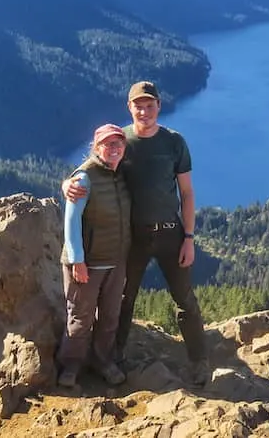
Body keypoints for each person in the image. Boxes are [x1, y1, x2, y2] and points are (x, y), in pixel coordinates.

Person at [62, 80, 210, 386]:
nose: (144, 111)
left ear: (159, 105)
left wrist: (189, 238)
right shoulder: (122, 140)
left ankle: (199, 360)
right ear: (129, 108)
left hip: (171, 233)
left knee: (184, 299)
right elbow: (93, 169)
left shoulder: (174, 142)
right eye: (138, 105)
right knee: (124, 299)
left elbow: (187, 193)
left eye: (149, 105)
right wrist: (67, 184)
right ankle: (112, 357)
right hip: (134, 238)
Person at [55, 123, 132, 388]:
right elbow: (71, 221)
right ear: (96, 147)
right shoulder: (84, 177)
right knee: (80, 318)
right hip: (87, 263)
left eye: (118, 143)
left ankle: (102, 361)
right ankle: (71, 366)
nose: (114, 148)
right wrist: (78, 260)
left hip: (116, 261)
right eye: (107, 144)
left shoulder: (121, 174)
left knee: (110, 317)